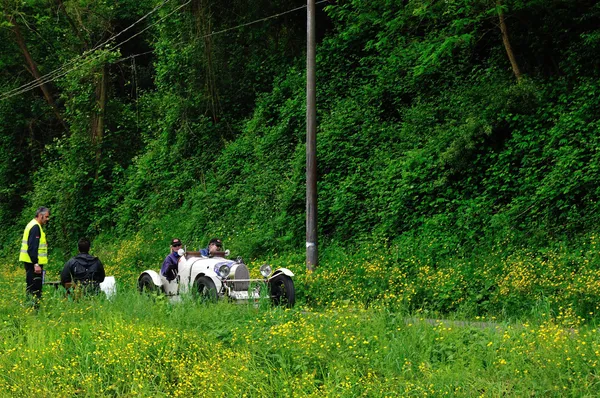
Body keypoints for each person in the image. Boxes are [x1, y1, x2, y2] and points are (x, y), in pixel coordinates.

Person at [19, 206, 50, 302]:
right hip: (33, 263)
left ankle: (32, 306)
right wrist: (35, 263)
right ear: (40, 216)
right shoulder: (35, 227)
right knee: (35, 287)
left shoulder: (32, 225)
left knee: (32, 286)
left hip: (30, 261)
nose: (47, 219)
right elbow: (32, 247)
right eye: (46, 217)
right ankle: (34, 308)